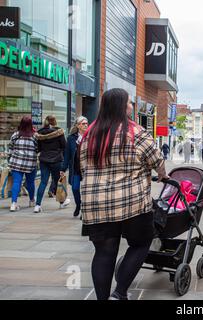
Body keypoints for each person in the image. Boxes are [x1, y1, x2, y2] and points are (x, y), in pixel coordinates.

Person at [79, 88, 168, 300]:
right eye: (129, 103)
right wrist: (163, 175)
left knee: (103, 253)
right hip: (132, 204)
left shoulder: (89, 133)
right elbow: (157, 160)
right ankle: (119, 293)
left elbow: (81, 166)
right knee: (141, 243)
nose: (131, 106)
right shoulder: (135, 132)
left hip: (96, 204)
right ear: (121, 106)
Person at [34, 115, 68, 213]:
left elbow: (39, 148)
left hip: (44, 160)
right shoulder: (59, 132)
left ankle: (37, 205)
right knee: (58, 181)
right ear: (55, 121)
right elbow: (64, 146)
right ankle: (62, 202)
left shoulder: (40, 133)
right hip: (56, 160)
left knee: (43, 182)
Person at [8, 116, 38, 212]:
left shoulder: (16, 135)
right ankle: (32, 200)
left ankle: (13, 203)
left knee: (17, 182)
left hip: (16, 162)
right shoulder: (34, 136)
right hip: (30, 163)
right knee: (30, 182)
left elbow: (10, 148)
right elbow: (37, 149)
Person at [60, 116, 89, 218]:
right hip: (75, 168)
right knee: (75, 188)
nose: (85, 125)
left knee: (86, 190)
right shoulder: (71, 138)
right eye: (83, 124)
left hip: (87, 168)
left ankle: (84, 210)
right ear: (77, 126)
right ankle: (78, 205)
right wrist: (63, 168)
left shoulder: (90, 137)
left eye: (86, 123)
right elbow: (67, 155)